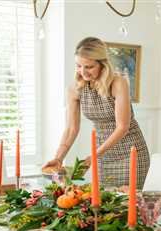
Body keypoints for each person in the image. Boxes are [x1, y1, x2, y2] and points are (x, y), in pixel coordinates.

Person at [43, 37, 150, 189]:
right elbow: (72, 128)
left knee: (128, 206)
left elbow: (122, 126)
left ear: (102, 65)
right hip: (102, 155)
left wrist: (93, 155)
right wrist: (58, 158)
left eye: (89, 66)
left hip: (130, 154)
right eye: (79, 65)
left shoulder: (118, 83)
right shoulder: (74, 89)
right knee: (103, 204)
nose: (83, 72)